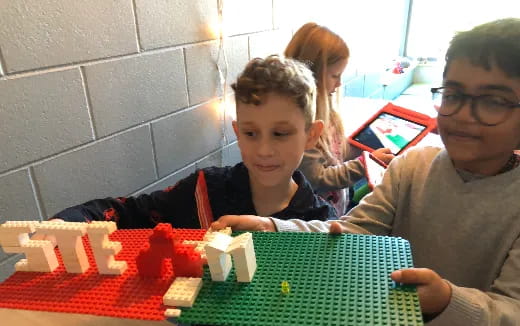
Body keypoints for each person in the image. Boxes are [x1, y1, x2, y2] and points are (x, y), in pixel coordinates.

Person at [212, 18, 520, 324]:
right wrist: (273, 228)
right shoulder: (411, 167)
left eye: (493, 101)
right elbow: (350, 232)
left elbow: (512, 309)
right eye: (454, 94)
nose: (465, 114)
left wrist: (448, 301)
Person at [51, 55, 336, 228]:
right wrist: (68, 223)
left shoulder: (323, 222)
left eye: (280, 133)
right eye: (251, 133)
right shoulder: (204, 190)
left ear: (311, 135)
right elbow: (127, 213)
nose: (263, 150)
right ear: (237, 132)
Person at [285, 22, 394, 216]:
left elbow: (335, 155)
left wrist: (364, 149)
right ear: (312, 76)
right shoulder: (300, 124)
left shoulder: (328, 113)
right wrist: (363, 164)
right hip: (313, 218)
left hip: (335, 210)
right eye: (335, 75)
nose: (340, 82)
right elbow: (316, 178)